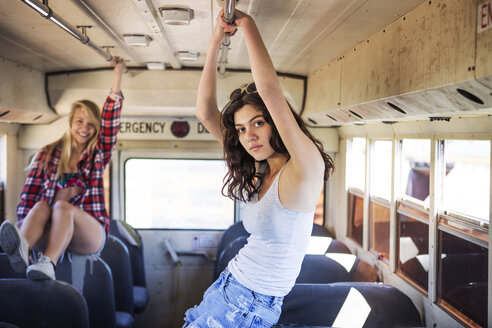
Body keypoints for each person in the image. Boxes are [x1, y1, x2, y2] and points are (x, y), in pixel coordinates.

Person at [187, 9, 334, 328]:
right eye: (240, 129)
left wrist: (247, 24)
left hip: (252, 303)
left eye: (258, 122)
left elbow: (269, 91)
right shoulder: (258, 170)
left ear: (276, 123)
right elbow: (204, 112)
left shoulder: (305, 168)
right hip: (229, 285)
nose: (248, 135)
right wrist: (214, 41)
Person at [0, 57, 125, 281]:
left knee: (61, 207)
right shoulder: (47, 153)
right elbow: (28, 197)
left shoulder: (98, 153)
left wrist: (117, 79)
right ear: (70, 123)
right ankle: (23, 250)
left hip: (89, 232)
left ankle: (47, 264)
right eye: (79, 122)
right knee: (39, 206)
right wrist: (23, 224)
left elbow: (110, 122)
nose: (84, 129)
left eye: (90, 124)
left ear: (97, 128)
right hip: (51, 230)